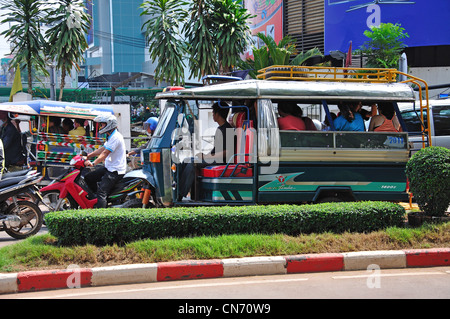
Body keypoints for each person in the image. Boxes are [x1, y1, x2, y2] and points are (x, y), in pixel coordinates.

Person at [177, 101, 234, 200]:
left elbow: (227, 152)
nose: (212, 115)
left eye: (213, 112)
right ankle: (181, 190)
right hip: (215, 159)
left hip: (222, 161)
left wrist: (206, 157)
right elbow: (216, 149)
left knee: (192, 163)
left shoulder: (227, 129)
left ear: (217, 114)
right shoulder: (220, 128)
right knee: (186, 160)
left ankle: (180, 194)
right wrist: (204, 155)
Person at [84, 114, 126, 208]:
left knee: (101, 193)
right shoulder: (111, 135)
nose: (101, 127)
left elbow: (105, 153)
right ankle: (95, 201)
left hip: (115, 171)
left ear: (109, 124)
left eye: (102, 125)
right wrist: (89, 156)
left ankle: (101, 214)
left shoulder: (116, 137)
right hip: (109, 168)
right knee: (88, 178)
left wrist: (93, 163)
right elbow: (103, 148)